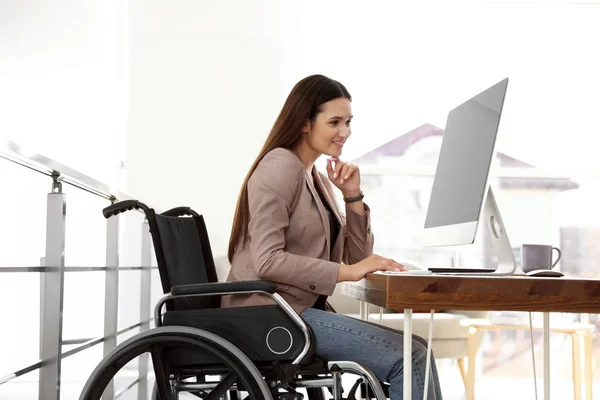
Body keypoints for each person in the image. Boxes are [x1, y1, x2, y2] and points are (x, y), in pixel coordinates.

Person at [222, 74, 443, 399]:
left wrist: (352, 196)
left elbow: (356, 257)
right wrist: (347, 272)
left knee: (416, 349)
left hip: (294, 310)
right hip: (267, 314)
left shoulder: (314, 176)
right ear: (305, 123)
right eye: (335, 122)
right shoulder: (279, 166)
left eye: (349, 122)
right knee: (410, 356)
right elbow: (267, 261)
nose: (345, 132)